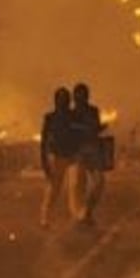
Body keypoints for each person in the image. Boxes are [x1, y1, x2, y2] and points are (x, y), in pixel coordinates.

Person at [40, 86, 83, 228]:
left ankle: (76, 214)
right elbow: (44, 140)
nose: (63, 102)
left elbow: (80, 135)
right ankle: (45, 217)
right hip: (57, 156)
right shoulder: (50, 118)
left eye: (65, 99)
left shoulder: (74, 116)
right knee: (54, 188)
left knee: (75, 186)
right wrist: (45, 162)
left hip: (73, 156)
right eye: (61, 99)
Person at [71, 82, 109, 227]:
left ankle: (87, 211)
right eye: (79, 96)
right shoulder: (71, 115)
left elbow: (95, 129)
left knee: (99, 182)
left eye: (83, 95)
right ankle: (81, 215)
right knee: (78, 186)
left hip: (92, 151)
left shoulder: (93, 111)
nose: (81, 99)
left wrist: (99, 128)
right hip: (79, 153)